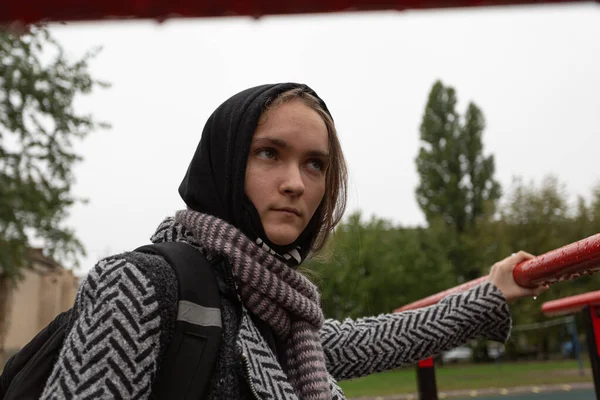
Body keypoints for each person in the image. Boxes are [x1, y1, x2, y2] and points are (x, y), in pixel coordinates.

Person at [40, 83, 548, 400]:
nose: (296, 184)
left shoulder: (279, 311)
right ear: (225, 162)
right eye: (267, 153)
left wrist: (491, 294)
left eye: (315, 164)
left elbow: (365, 340)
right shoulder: (142, 283)